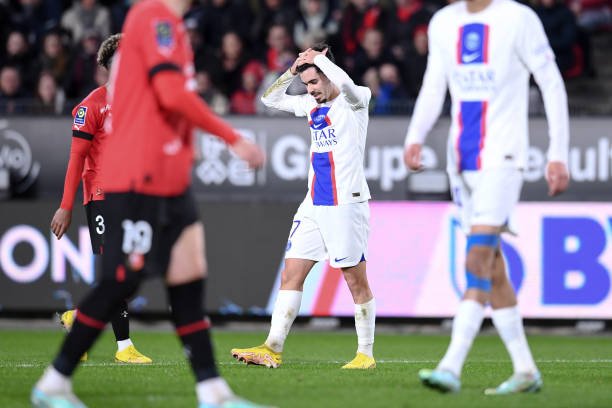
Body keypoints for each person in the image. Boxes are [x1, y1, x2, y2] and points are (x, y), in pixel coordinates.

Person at [31, 0, 266, 407]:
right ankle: (55, 381)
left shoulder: (172, 26)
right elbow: (172, 94)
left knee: (189, 281)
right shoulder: (155, 18)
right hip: (139, 178)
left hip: (170, 177)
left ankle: (213, 392)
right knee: (119, 282)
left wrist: (186, 145)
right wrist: (232, 137)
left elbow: (163, 99)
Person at [403, 0, 570, 395]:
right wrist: (415, 136)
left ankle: (451, 366)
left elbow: (551, 82)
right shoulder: (443, 22)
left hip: (503, 156)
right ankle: (526, 370)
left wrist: (558, 152)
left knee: (476, 257)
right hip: (461, 162)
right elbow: (434, 85)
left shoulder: (517, 17)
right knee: (492, 266)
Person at [231, 44, 376, 370]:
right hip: (313, 203)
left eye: (314, 82)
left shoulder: (356, 101)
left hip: (345, 203)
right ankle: (272, 348)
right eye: (306, 84)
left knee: (355, 280)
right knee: (290, 274)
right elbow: (269, 99)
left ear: (329, 75)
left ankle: (365, 354)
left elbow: (347, 85)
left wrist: (320, 59)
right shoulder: (311, 105)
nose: (310, 90)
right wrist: (292, 71)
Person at [49, 33, 151, 365]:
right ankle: (124, 347)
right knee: (115, 272)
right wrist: (66, 206)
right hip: (102, 195)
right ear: (108, 67)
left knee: (133, 273)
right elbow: (76, 158)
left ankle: (78, 317)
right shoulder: (91, 106)